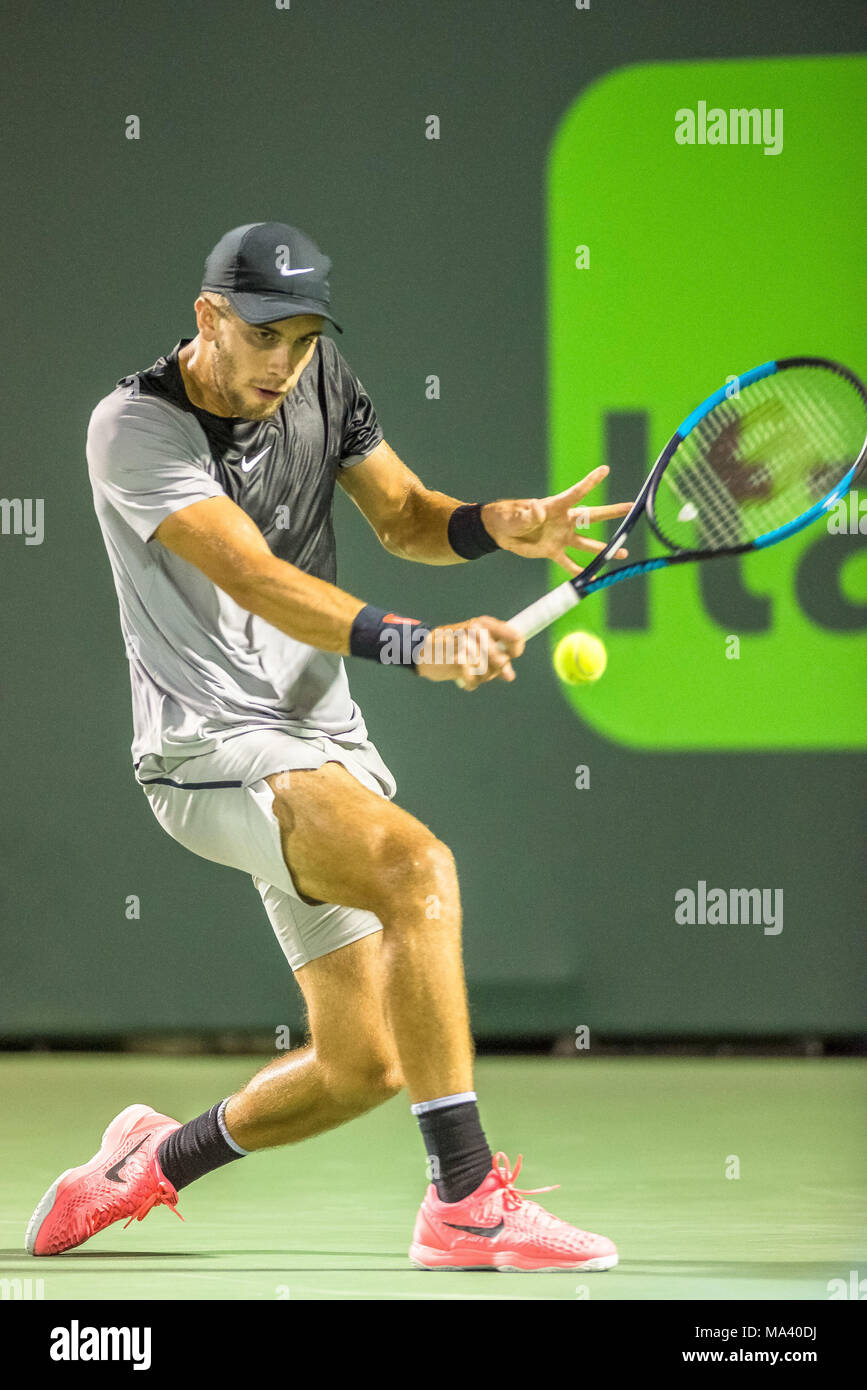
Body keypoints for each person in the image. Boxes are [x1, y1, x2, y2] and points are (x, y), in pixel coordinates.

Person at [26, 221, 628, 1271]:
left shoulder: (317, 379)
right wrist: (417, 643)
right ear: (208, 316)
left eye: (303, 340)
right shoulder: (132, 427)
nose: (284, 361)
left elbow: (403, 515)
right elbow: (252, 575)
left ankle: (147, 1163)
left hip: (319, 743)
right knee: (418, 868)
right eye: (264, 336)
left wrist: (501, 522)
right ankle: (465, 1198)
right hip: (211, 748)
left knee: (364, 1066)